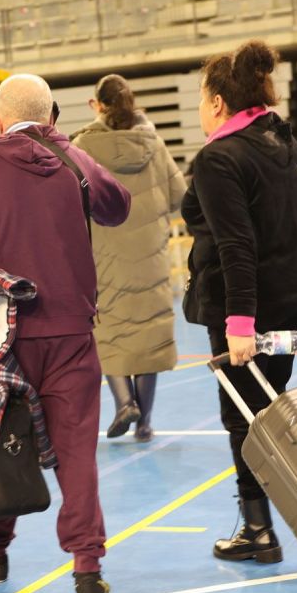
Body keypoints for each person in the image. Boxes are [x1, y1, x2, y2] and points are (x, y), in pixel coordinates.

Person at [0, 74, 131, 593]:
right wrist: (72, 153)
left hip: (3, 336)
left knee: (2, 445)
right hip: (71, 333)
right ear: (52, 117)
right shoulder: (72, 160)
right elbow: (118, 206)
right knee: (76, 454)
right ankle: (88, 570)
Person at [180, 41, 297, 564]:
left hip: (247, 312)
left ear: (216, 103)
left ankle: (260, 530)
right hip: (292, 303)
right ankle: (264, 523)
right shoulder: (281, 139)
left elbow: (236, 247)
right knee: (269, 409)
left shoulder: (218, 157)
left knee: (245, 419)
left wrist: (239, 325)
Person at [71, 74, 185, 442]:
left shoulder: (81, 148)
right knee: (148, 336)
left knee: (109, 333)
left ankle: (124, 402)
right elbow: (178, 196)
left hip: (103, 256)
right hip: (149, 256)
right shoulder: (154, 143)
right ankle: (145, 423)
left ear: (97, 105)